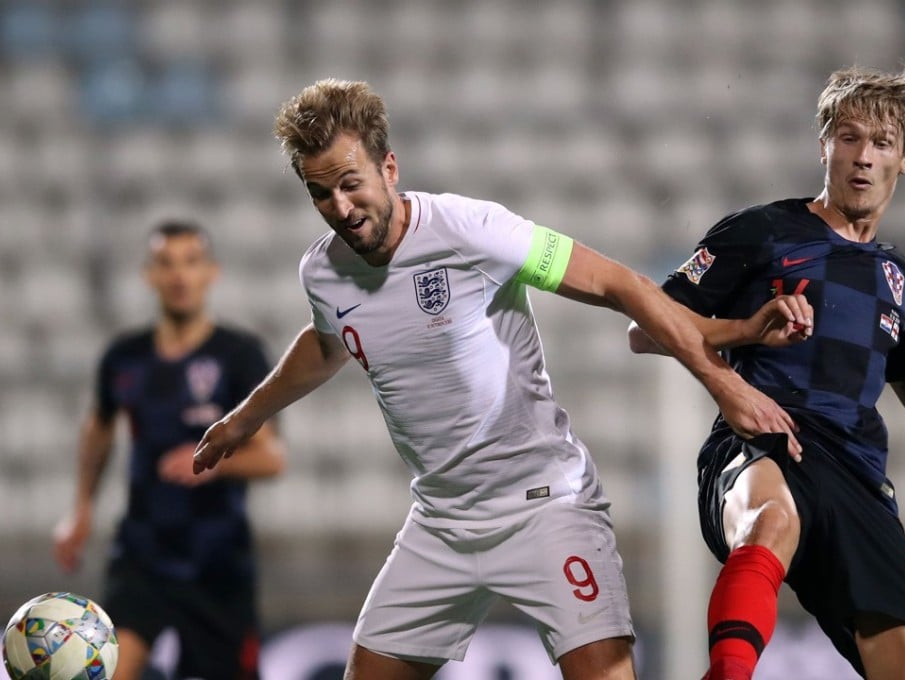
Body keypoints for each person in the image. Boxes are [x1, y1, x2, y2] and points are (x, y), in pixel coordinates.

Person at [191, 78, 813, 680]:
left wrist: (721, 381)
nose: (341, 209)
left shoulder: (469, 230)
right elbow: (327, 345)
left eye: (351, 185)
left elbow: (620, 285)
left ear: (390, 168)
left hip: (544, 506)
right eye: (320, 194)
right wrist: (244, 418)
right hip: (441, 521)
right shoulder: (323, 272)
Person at [630, 60, 905, 680]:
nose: (864, 157)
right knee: (773, 517)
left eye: (882, 143)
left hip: (858, 478)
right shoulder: (763, 231)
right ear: (825, 146)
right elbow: (647, 327)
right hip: (763, 440)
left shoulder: (896, 278)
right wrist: (743, 329)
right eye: (850, 138)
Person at [53, 220, 286, 680]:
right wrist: (81, 508)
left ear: (211, 272)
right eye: (166, 264)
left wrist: (213, 467)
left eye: (191, 262)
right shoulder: (125, 357)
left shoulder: (239, 356)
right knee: (113, 669)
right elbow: (98, 428)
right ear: (149, 275)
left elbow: (272, 458)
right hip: (142, 554)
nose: (179, 275)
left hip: (217, 562)